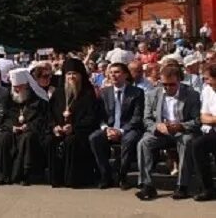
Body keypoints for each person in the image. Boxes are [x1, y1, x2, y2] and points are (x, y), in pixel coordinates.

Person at [136, 63, 202, 201]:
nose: (167, 88)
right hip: (161, 131)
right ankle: (146, 185)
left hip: (182, 131)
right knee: (144, 143)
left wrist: (180, 126)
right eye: (164, 84)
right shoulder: (153, 94)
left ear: (179, 80)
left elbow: (196, 121)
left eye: (171, 84)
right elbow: (147, 119)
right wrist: (157, 126)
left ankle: (182, 185)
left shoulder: (191, 95)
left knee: (187, 141)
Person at [89, 62, 144, 190]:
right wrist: (106, 129)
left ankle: (122, 176)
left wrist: (120, 131)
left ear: (125, 75)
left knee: (129, 140)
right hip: (109, 128)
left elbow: (137, 117)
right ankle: (105, 175)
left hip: (128, 128)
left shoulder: (136, 92)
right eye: (111, 73)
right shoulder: (104, 92)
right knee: (94, 137)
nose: (114, 75)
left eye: (117, 72)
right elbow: (100, 116)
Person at [47, 57, 97, 188]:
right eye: (69, 74)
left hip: (80, 131)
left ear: (81, 75)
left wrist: (74, 128)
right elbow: (49, 114)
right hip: (59, 130)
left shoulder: (88, 93)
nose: (71, 76)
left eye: (75, 73)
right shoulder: (58, 93)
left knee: (71, 141)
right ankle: (56, 179)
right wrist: (54, 127)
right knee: (51, 140)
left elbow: (92, 117)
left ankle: (72, 179)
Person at [0, 68, 49, 186]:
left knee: (27, 138)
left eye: (19, 87)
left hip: (31, 129)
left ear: (27, 85)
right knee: (5, 137)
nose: (16, 90)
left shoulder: (37, 98)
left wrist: (28, 126)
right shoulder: (8, 97)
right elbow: (4, 116)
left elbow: (41, 118)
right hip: (12, 128)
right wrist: (12, 127)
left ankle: (25, 175)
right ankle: (4, 174)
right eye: (15, 88)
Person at [190, 62, 216, 202]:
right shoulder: (207, 90)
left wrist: (210, 119)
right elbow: (203, 116)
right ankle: (207, 188)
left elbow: (208, 117)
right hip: (210, 130)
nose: (205, 81)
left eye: (207, 78)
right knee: (197, 144)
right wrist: (212, 119)